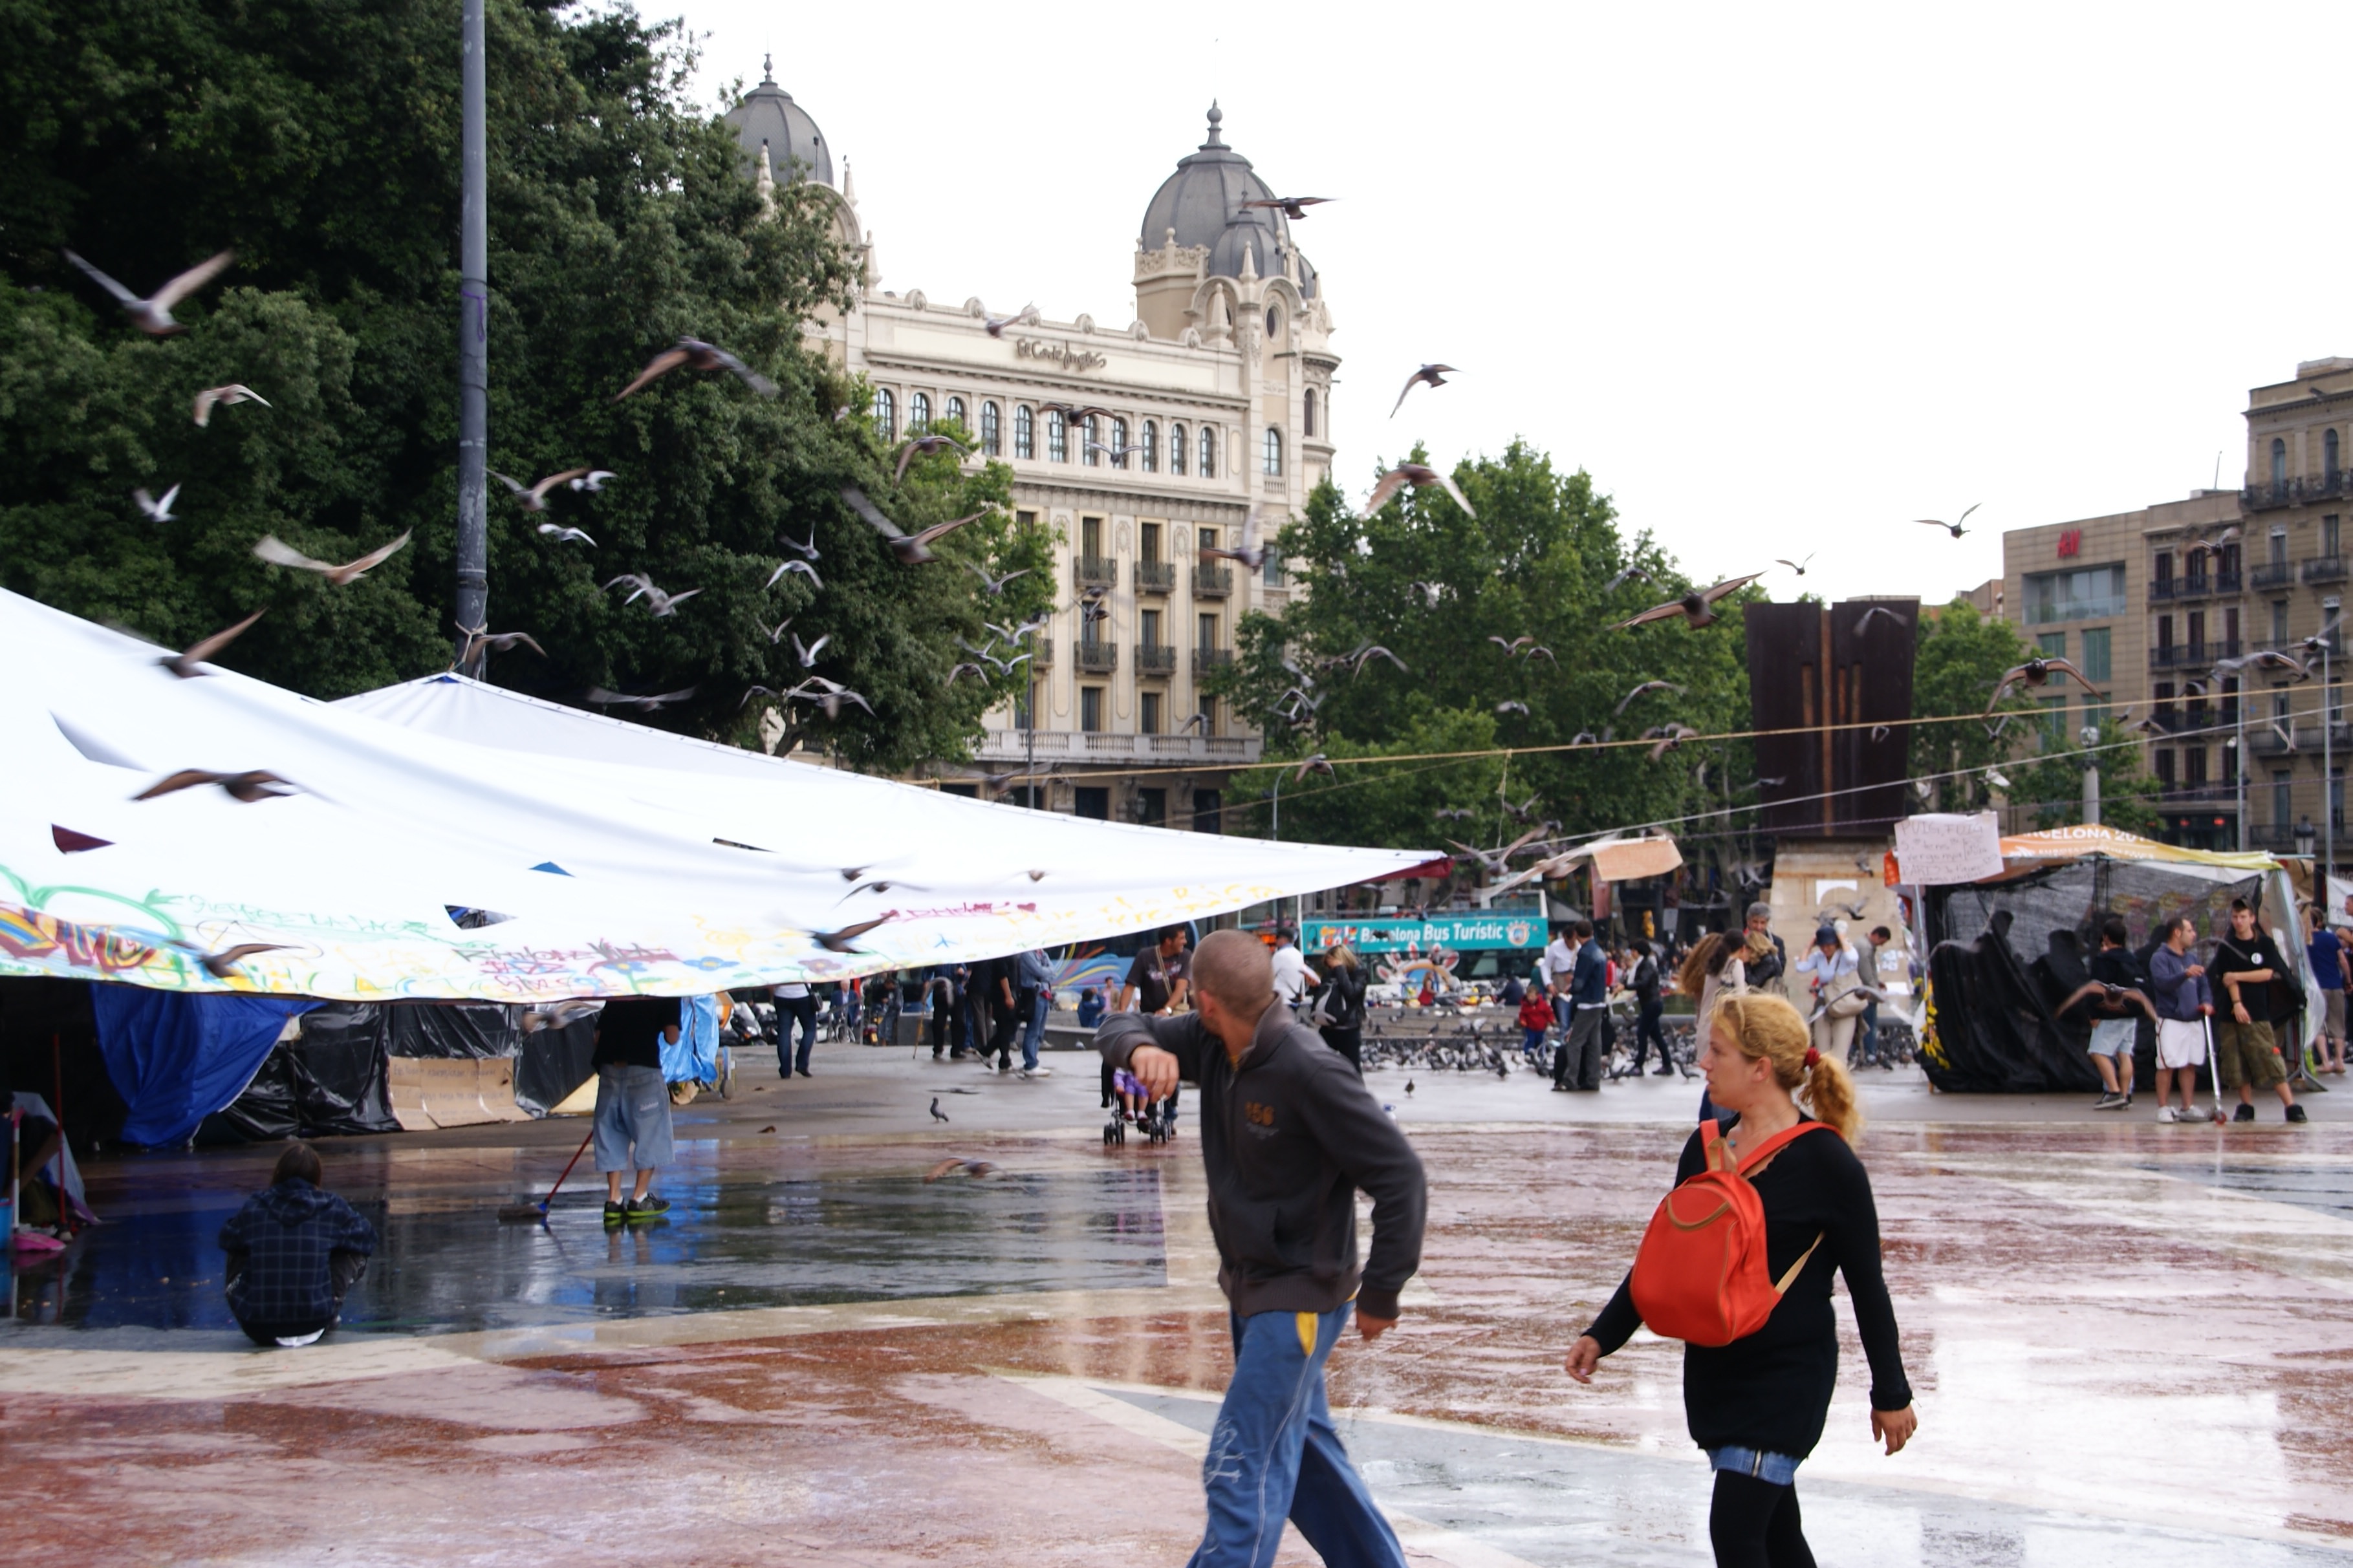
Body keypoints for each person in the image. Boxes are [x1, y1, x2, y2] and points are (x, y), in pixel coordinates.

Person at [1097, 929, 1427, 1568]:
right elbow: (1116, 1024)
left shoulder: (1308, 1069)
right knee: (1306, 1461)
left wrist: (1383, 1290)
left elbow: (1401, 1176)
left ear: (1204, 1000)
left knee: (1238, 1461)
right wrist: (1142, 1048)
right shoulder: (1212, 1041)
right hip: (1252, 1288)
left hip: (1299, 1297)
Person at [1565, 994, 1916, 1568]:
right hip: (1716, 1371)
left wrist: (1892, 1392)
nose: (1703, 1062)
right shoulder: (1704, 1148)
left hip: (1785, 1377)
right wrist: (1603, 1334)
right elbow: (1666, 1261)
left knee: (1735, 1532)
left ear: (1760, 1068)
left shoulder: (1828, 1162)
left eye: (1718, 1051)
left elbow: (1868, 1286)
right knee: (1778, 1536)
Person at [219, 1141, 377, 1348]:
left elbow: (226, 1238)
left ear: (278, 1174)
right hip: (315, 1322)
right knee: (352, 1249)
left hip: (258, 1327)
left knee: (237, 1246)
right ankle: (331, 1304)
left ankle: (249, 1303)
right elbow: (368, 1237)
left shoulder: (256, 1206)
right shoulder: (331, 1206)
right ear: (316, 1177)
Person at [2209, 898, 2306, 1124]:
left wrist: (2239, 975)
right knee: (2236, 1059)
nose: (2239, 921)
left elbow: (2267, 973)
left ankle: (2291, 1106)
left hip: (2258, 1011)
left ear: (2252, 919)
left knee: (2268, 1057)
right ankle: (2246, 1105)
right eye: (2235, 917)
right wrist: (2237, 1003)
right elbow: (2227, 978)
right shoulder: (2227, 946)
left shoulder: (2264, 944)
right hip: (2231, 1013)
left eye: (2243, 917)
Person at [593, 992, 680, 1223]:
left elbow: (597, 1037)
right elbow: (672, 1037)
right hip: (644, 1070)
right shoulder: (667, 991)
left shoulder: (621, 989)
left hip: (609, 1069)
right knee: (652, 1133)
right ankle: (639, 1197)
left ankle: (614, 1199)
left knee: (610, 1132)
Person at [1110, 925, 1192, 1108]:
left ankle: (1170, 1112)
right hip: (1150, 1020)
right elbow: (1130, 986)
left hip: (1174, 1020)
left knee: (1172, 1066)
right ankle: (1147, 1109)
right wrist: (1122, 1012)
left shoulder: (1186, 956)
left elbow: (1182, 987)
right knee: (1150, 1066)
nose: (1185, 942)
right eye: (1181, 938)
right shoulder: (1145, 956)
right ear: (1168, 941)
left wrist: (1167, 1010)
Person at [2147, 913, 2215, 1124]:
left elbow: (2204, 984)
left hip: (2193, 1019)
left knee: (2190, 1064)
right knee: (2166, 1064)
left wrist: (2206, 1002)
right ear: (2177, 933)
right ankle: (2163, 1107)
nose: (2194, 935)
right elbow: (2162, 984)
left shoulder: (2192, 958)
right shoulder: (2160, 958)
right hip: (2171, 1019)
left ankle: (2187, 1106)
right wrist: (2185, 974)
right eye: (2190, 931)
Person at [1792, 926, 1863, 1066]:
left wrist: (1841, 937)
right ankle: (1823, 1077)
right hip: (1824, 1005)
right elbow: (1801, 967)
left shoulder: (1844, 955)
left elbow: (1853, 958)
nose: (1826, 949)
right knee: (1822, 1052)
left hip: (1844, 1005)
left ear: (1836, 943)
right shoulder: (1819, 957)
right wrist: (1809, 945)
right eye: (1822, 945)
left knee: (1839, 1054)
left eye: (1829, 945)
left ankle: (1838, 1078)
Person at [1554, 920, 1609, 1092]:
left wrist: (1571, 987)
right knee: (1594, 1044)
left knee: (1574, 1043)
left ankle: (1570, 1080)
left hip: (1586, 1003)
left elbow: (1580, 982)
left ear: (1577, 935)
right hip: (1599, 1001)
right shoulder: (1599, 951)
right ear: (1591, 932)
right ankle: (1593, 1080)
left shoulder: (1585, 953)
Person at [1312, 941, 1369, 1070]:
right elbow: (1327, 996)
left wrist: (1340, 970)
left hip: (1349, 1027)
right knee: (1322, 1066)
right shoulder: (1331, 973)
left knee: (1352, 1069)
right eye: (1329, 965)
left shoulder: (1359, 972)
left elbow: (1351, 993)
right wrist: (1315, 987)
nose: (1330, 968)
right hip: (1329, 1026)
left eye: (1332, 964)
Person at [2308, 910, 2348, 1075]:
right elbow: (2343, 961)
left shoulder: (2306, 940)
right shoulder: (2331, 938)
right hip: (2335, 986)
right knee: (2338, 1024)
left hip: (2316, 988)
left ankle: (2326, 1062)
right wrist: (2348, 980)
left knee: (2318, 1025)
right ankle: (2339, 1061)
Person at [1627, 940, 1671, 1075]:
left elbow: (1643, 982)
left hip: (1651, 1004)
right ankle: (1667, 1064)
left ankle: (1639, 1065)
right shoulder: (1646, 964)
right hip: (1652, 1004)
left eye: (1633, 950)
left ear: (1638, 952)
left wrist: (1626, 986)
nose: (1632, 953)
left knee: (1642, 1033)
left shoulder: (1646, 965)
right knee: (1656, 1035)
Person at [1015, 947, 1057, 1077]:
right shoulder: (1027, 953)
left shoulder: (1042, 953)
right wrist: (1046, 972)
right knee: (1033, 1030)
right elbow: (1039, 971)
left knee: (1040, 1032)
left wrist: (1046, 972)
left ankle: (1034, 1060)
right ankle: (1030, 1064)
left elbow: (1052, 971)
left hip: (1045, 994)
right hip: (1035, 994)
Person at [1852, 927, 1891, 1068]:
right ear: (1876, 936)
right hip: (1866, 995)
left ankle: (1861, 1053)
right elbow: (1866, 974)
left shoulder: (1863, 944)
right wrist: (1877, 993)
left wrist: (1877, 982)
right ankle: (1869, 1054)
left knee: (1861, 1026)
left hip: (1863, 992)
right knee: (1869, 1026)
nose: (1881, 945)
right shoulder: (1865, 948)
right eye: (1882, 942)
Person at [772, 976, 818, 1079]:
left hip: (781, 995)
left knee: (784, 1033)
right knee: (810, 1030)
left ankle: (785, 1070)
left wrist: (772, 994)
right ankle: (802, 1064)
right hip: (803, 995)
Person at [1742, 903, 1788, 997]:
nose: (1759, 927)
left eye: (1762, 923)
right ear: (1748, 922)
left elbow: (1781, 968)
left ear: (1767, 923)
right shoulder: (1741, 941)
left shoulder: (1777, 942)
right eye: (1755, 922)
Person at [1544, 925, 1578, 1035]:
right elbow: (1546, 966)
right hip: (1561, 985)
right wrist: (1549, 984)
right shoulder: (1555, 946)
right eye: (1569, 942)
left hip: (1577, 984)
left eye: (1573, 942)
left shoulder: (1580, 947)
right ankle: (1564, 1042)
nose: (1571, 945)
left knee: (1579, 1021)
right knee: (1564, 1021)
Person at [1269, 925, 1310, 1011]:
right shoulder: (1299, 954)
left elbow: (1269, 976)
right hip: (1293, 999)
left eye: (1277, 938)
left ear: (1284, 939)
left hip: (1280, 1000)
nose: (1276, 940)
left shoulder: (1280, 955)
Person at [1517, 976, 1556, 1066]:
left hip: (1541, 1028)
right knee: (1530, 1040)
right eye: (1529, 996)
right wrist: (1523, 1021)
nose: (1530, 998)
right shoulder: (1525, 1006)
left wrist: (1552, 1020)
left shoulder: (1543, 1005)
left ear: (1537, 996)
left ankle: (1541, 1055)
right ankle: (1528, 1053)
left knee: (1541, 1042)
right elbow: (1522, 1015)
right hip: (1530, 1028)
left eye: (1532, 996)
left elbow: (1549, 1013)